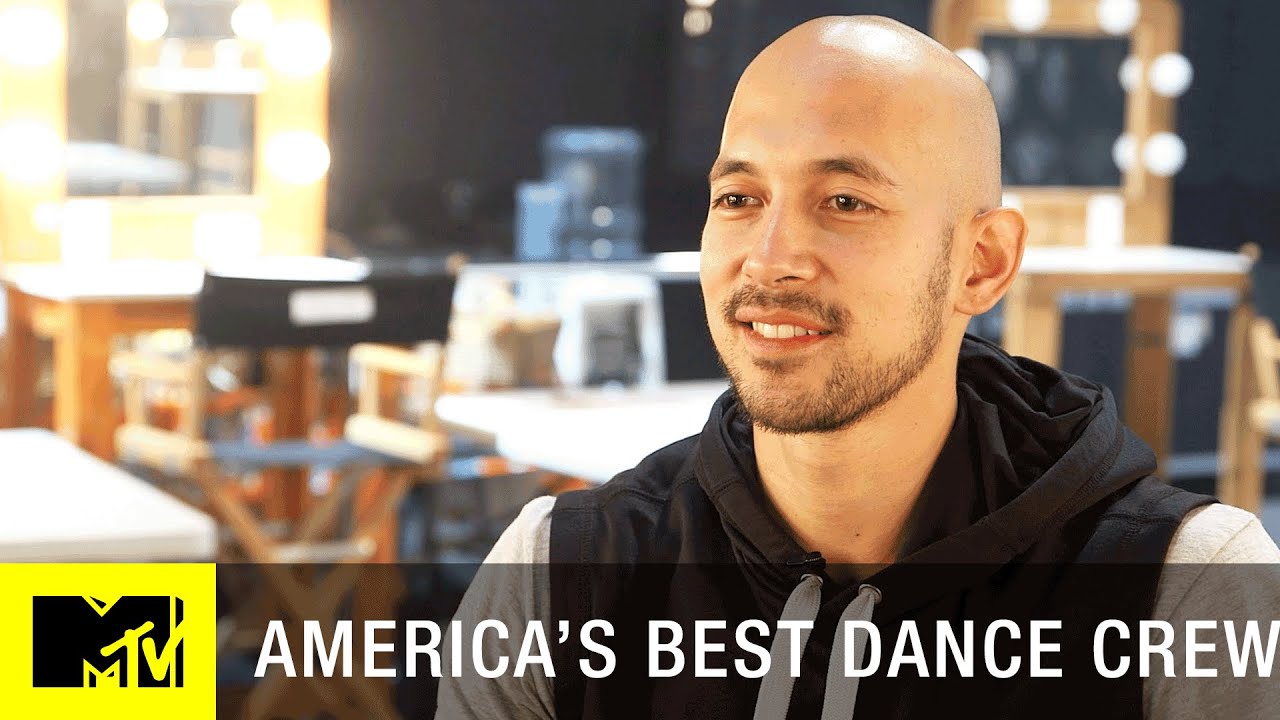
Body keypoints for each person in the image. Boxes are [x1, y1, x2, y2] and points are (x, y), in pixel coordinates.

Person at [437, 15, 1280, 719]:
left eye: (846, 202)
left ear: (982, 263)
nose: (770, 259)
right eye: (739, 199)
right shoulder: (561, 574)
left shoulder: (1185, 589)